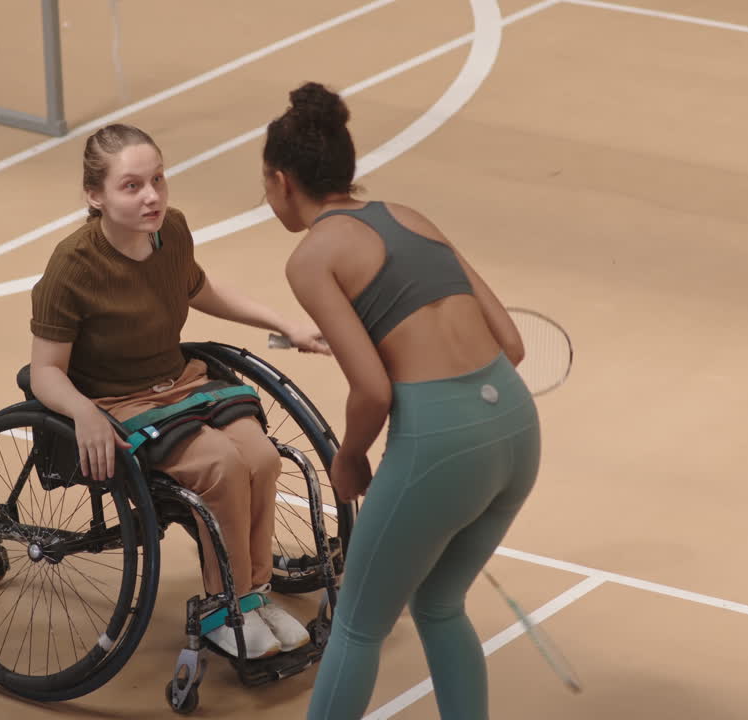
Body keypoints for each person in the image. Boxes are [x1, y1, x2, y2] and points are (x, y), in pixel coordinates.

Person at [260, 83, 541, 719]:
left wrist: (352, 456)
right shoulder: (411, 215)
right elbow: (513, 343)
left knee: (357, 623)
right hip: (517, 430)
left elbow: (374, 390)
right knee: (440, 604)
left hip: (442, 444)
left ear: (280, 180)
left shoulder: (311, 258)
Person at [27, 123, 329, 660]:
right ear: (94, 196)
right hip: (120, 401)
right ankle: (224, 604)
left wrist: (285, 322)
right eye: (132, 186)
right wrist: (84, 413)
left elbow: (200, 289)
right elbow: (45, 370)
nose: (152, 197)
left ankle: (252, 595)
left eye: (159, 180)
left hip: (183, 383)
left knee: (261, 456)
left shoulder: (174, 231)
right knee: (222, 467)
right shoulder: (72, 266)